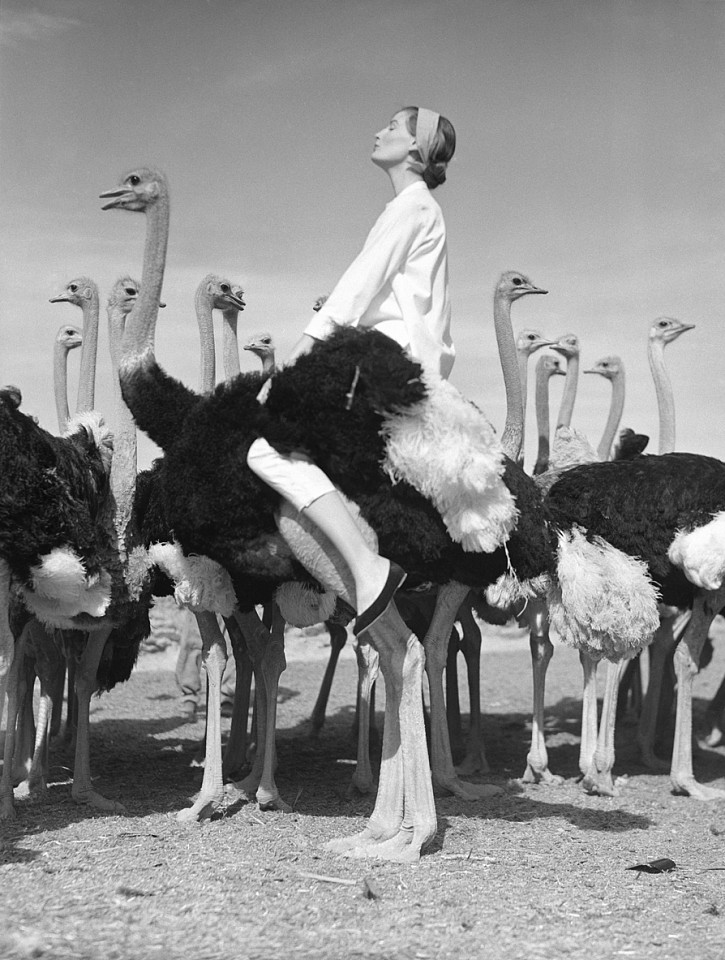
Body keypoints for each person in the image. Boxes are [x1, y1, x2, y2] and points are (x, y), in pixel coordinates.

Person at [247, 106, 457, 636]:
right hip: (387, 366)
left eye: (394, 126)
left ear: (416, 149)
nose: (379, 130)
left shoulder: (411, 208)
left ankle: (367, 569)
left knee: (264, 449)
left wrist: (298, 353)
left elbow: (357, 285)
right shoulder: (418, 210)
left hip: (379, 370)